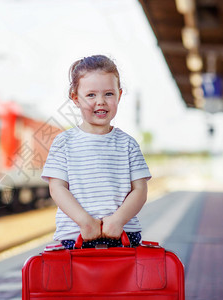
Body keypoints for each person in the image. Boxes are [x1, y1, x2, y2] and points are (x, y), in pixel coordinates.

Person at [41, 55, 151, 249]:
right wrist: (84, 221)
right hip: (76, 235)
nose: (100, 102)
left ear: (119, 94)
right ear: (75, 98)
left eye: (108, 94)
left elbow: (140, 190)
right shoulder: (63, 142)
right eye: (91, 95)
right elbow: (57, 188)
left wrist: (118, 220)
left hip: (124, 235)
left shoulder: (128, 144)